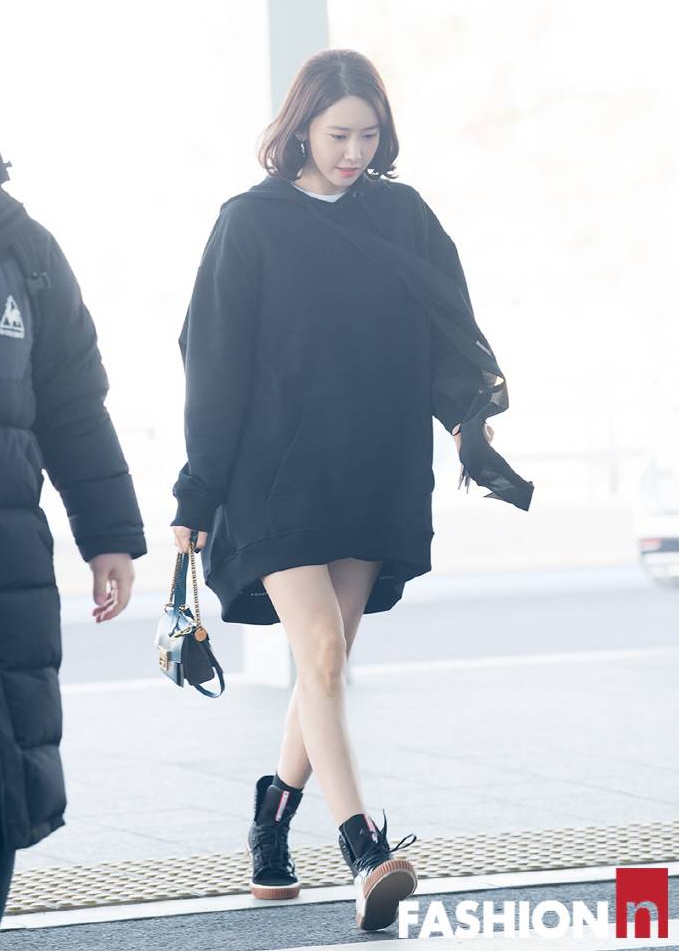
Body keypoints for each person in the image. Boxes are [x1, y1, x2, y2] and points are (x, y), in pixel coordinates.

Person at [171, 49, 533, 933]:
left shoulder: (402, 216)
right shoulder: (249, 223)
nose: (354, 152)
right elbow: (213, 364)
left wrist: (469, 426)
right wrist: (195, 494)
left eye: (369, 135)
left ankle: (272, 818)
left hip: (373, 466)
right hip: (274, 476)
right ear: (301, 127)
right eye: (339, 135)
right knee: (323, 651)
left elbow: (449, 330)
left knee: (325, 663)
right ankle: (365, 850)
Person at [0, 153, 146, 925]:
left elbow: (73, 404)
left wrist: (109, 533)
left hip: (7, 563)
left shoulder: (26, 252)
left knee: (2, 780)